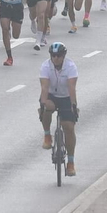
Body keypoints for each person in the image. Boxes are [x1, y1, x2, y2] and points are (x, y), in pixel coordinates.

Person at [38, 42, 80, 177]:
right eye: (53, 55)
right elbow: (44, 88)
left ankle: (71, 162)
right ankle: (47, 135)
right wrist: (43, 105)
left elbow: (71, 88)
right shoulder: (45, 66)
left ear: (64, 56)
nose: (55, 58)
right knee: (47, 107)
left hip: (66, 97)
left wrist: (73, 105)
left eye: (58, 55)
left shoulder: (70, 67)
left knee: (68, 127)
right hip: (51, 95)